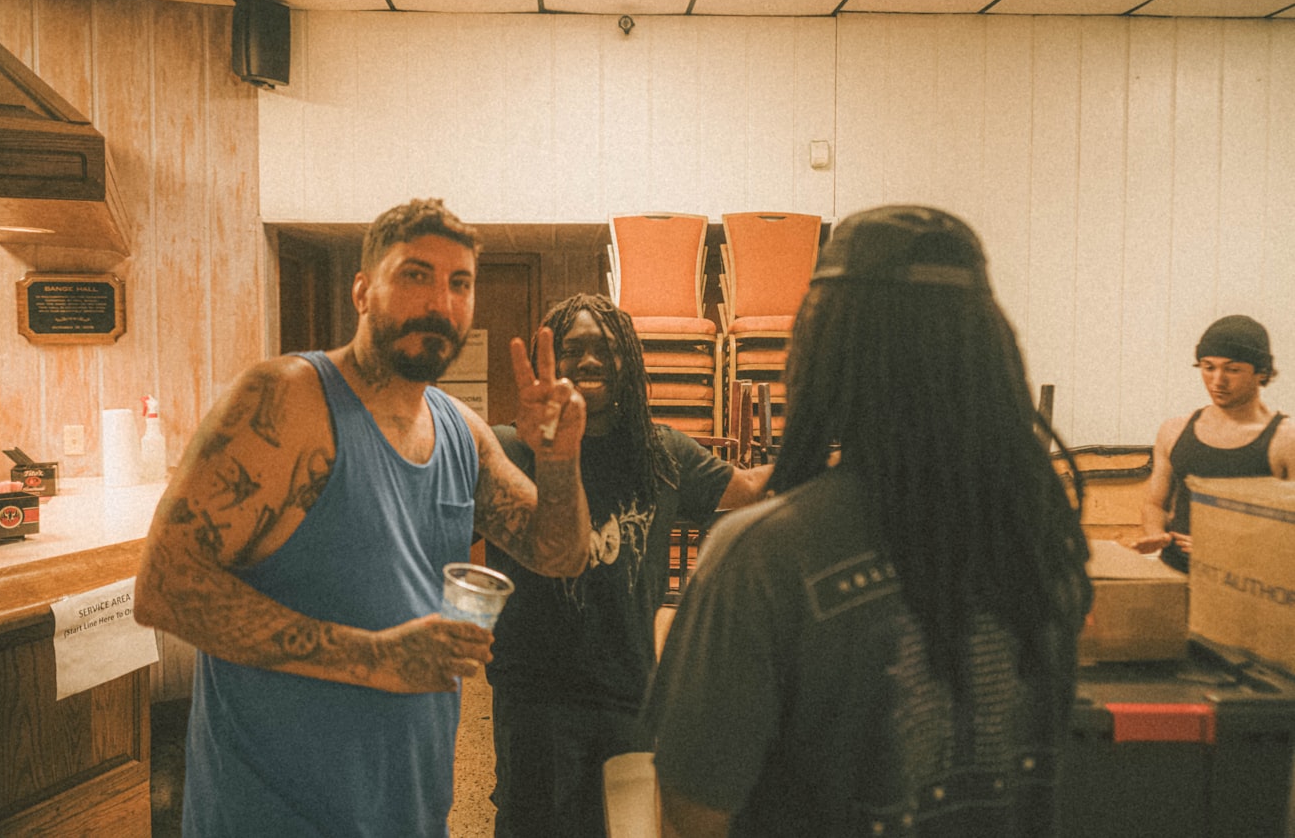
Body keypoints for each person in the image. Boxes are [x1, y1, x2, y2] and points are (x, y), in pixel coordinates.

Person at [133, 198, 592, 837]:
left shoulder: (462, 430)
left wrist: (561, 459)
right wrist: (375, 657)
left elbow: (560, 553)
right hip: (271, 814)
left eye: (459, 283)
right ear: (362, 290)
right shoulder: (285, 399)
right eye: (415, 275)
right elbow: (163, 589)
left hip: (406, 809)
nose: (440, 301)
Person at [642, 205, 1093, 837]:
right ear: (990, 354)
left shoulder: (764, 558)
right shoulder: (1041, 542)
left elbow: (692, 819)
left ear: (823, 354)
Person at [484, 293, 773, 837]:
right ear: (554, 360)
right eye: (573, 349)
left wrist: (835, 455)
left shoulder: (660, 452)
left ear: (629, 364)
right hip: (534, 701)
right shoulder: (507, 450)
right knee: (530, 825)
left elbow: (749, 489)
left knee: (624, 828)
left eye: (606, 349)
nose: (590, 361)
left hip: (627, 696)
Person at [1134, 314, 1294, 572]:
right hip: (1177, 576)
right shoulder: (1174, 431)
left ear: (1260, 372)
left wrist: (1226, 551)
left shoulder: (1285, 441)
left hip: (1248, 587)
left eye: (1232, 369)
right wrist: (1156, 534)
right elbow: (1154, 504)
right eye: (1208, 367)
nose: (1218, 380)